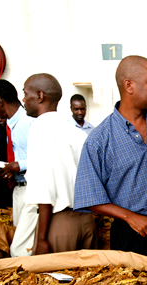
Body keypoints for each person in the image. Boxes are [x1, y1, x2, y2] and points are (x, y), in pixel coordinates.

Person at [74, 56, 147, 284]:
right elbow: (89, 196)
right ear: (129, 86)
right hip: (132, 234)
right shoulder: (99, 139)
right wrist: (130, 217)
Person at [23, 73, 96, 255]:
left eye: (25, 93)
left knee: (55, 280)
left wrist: (41, 238)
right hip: (87, 221)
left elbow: (44, 189)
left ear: (40, 96)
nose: (23, 100)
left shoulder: (39, 129)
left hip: (59, 224)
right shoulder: (77, 132)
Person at [0, 79, 37, 257]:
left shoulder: (28, 123)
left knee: (20, 250)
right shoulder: (10, 124)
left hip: (32, 189)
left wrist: (19, 165)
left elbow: (46, 156)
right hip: (19, 187)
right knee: (22, 240)